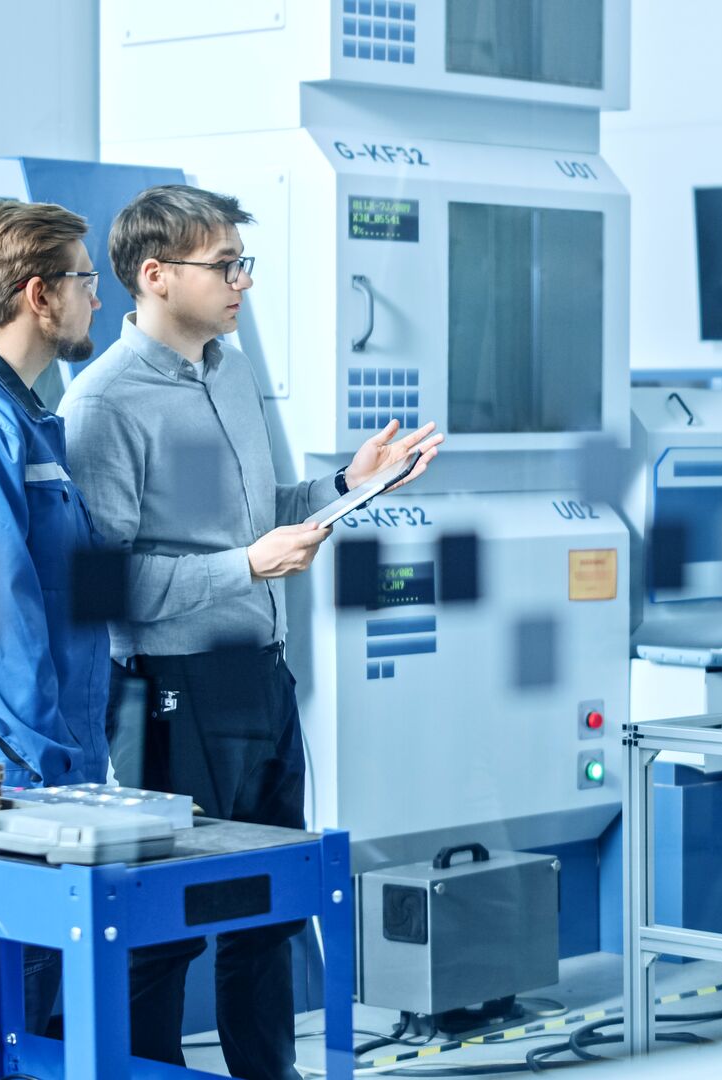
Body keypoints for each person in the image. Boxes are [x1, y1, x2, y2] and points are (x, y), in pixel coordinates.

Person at [59, 184, 441, 1080]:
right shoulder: (104, 404)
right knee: (167, 931)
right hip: (172, 691)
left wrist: (351, 481)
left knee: (268, 914)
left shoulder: (229, 370)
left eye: (244, 262)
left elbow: (258, 517)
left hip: (260, 678)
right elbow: (106, 584)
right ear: (153, 276)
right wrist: (248, 568)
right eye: (224, 264)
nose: (243, 282)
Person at [0, 199, 185, 1062]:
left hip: (52, 759)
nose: (100, 297)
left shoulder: (25, 420)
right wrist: (57, 781)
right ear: (37, 294)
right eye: (86, 280)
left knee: (39, 1004)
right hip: (5, 772)